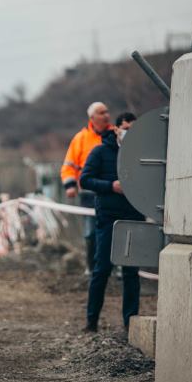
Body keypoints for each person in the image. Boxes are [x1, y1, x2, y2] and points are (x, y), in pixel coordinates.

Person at [79, 112, 143, 332]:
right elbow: (85, 179)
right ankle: (92, 321)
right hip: (108, 218)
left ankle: (130, 323)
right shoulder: (99, 151)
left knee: (131, 272)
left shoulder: (141, 154)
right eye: (125, 127)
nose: (128, 132)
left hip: (134, 217)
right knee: (102, 270)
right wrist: (110, 186)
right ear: (116, 129)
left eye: (133, 129)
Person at [61, 102, 113, 278]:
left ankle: (116, 267)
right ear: (92, 118)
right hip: (88, 194)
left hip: (111, 192)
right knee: (90, 232)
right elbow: (68, 165)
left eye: (107, 112)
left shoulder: (115, 135)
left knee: (113, 230)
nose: (106, 115)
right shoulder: (81, 139)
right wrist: (70, 185)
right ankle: (91, 267)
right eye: (101, 112)